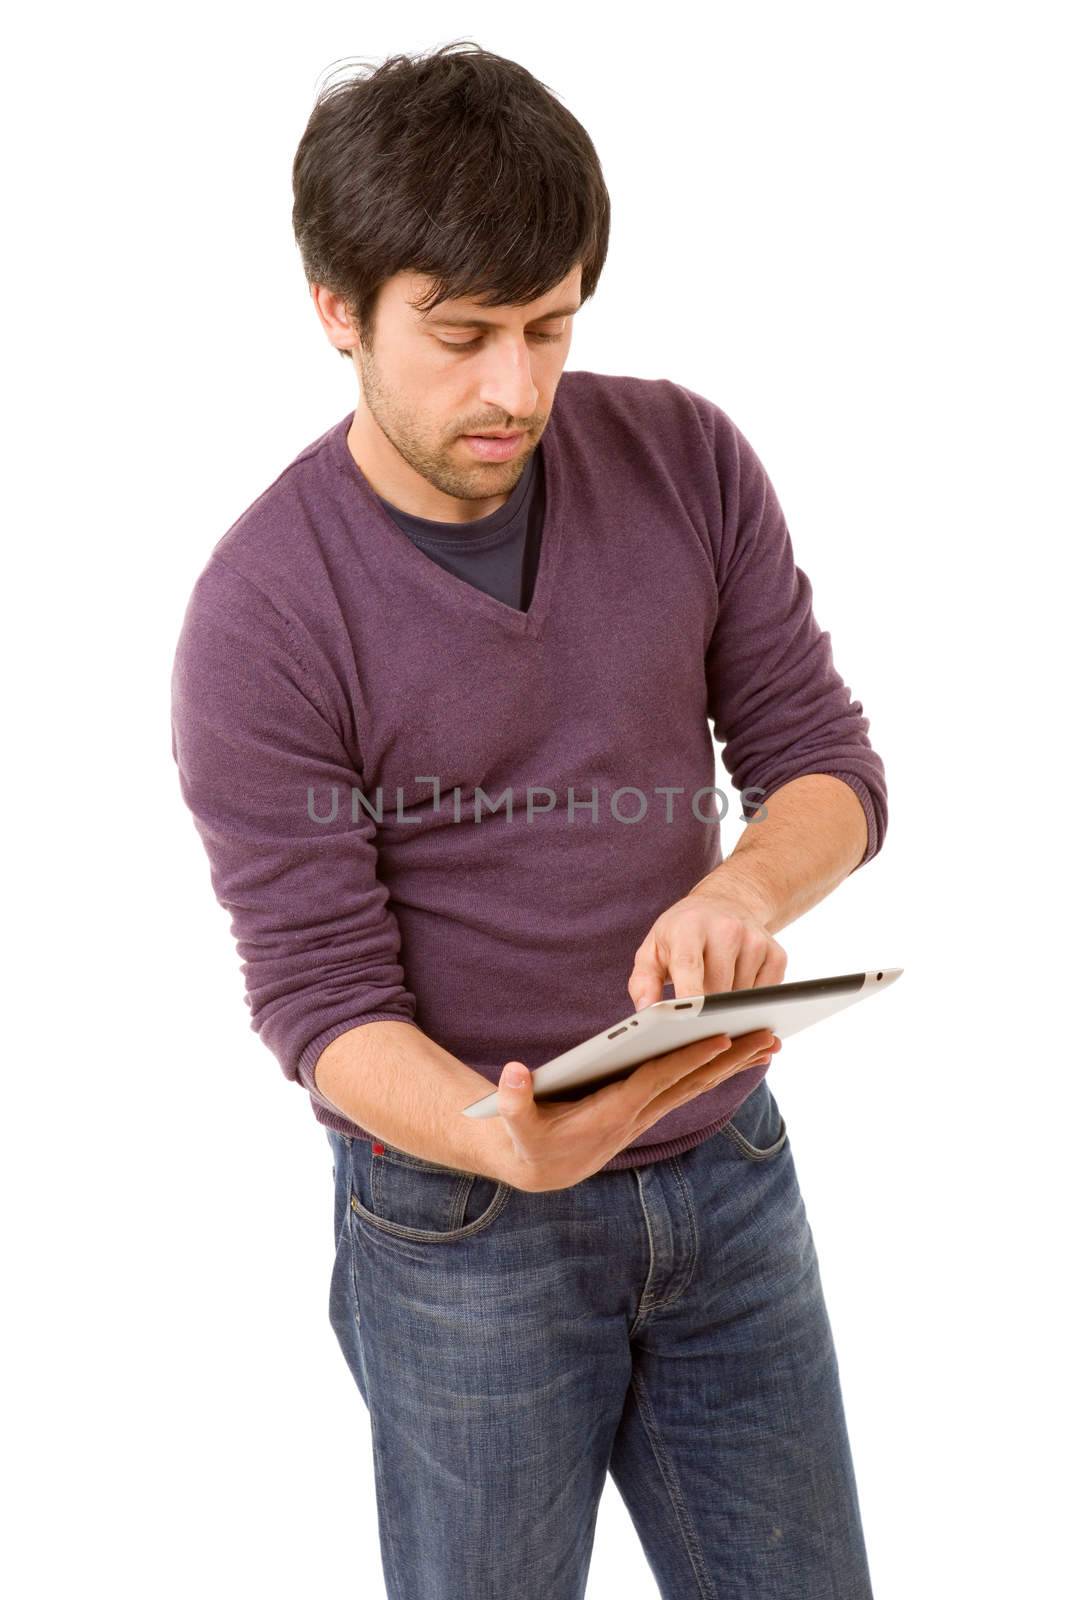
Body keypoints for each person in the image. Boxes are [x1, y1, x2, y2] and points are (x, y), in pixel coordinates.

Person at [171, 39, 887, 1600]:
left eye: (551, 327)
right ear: (339, 312)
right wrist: (503, 1142)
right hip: (458, 1230)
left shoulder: (686, 457)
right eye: (463, 334)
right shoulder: (262, 615)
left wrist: (745, 890)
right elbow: (318, 1001)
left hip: (726, 1168)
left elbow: (828, 766)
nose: (516, 388)